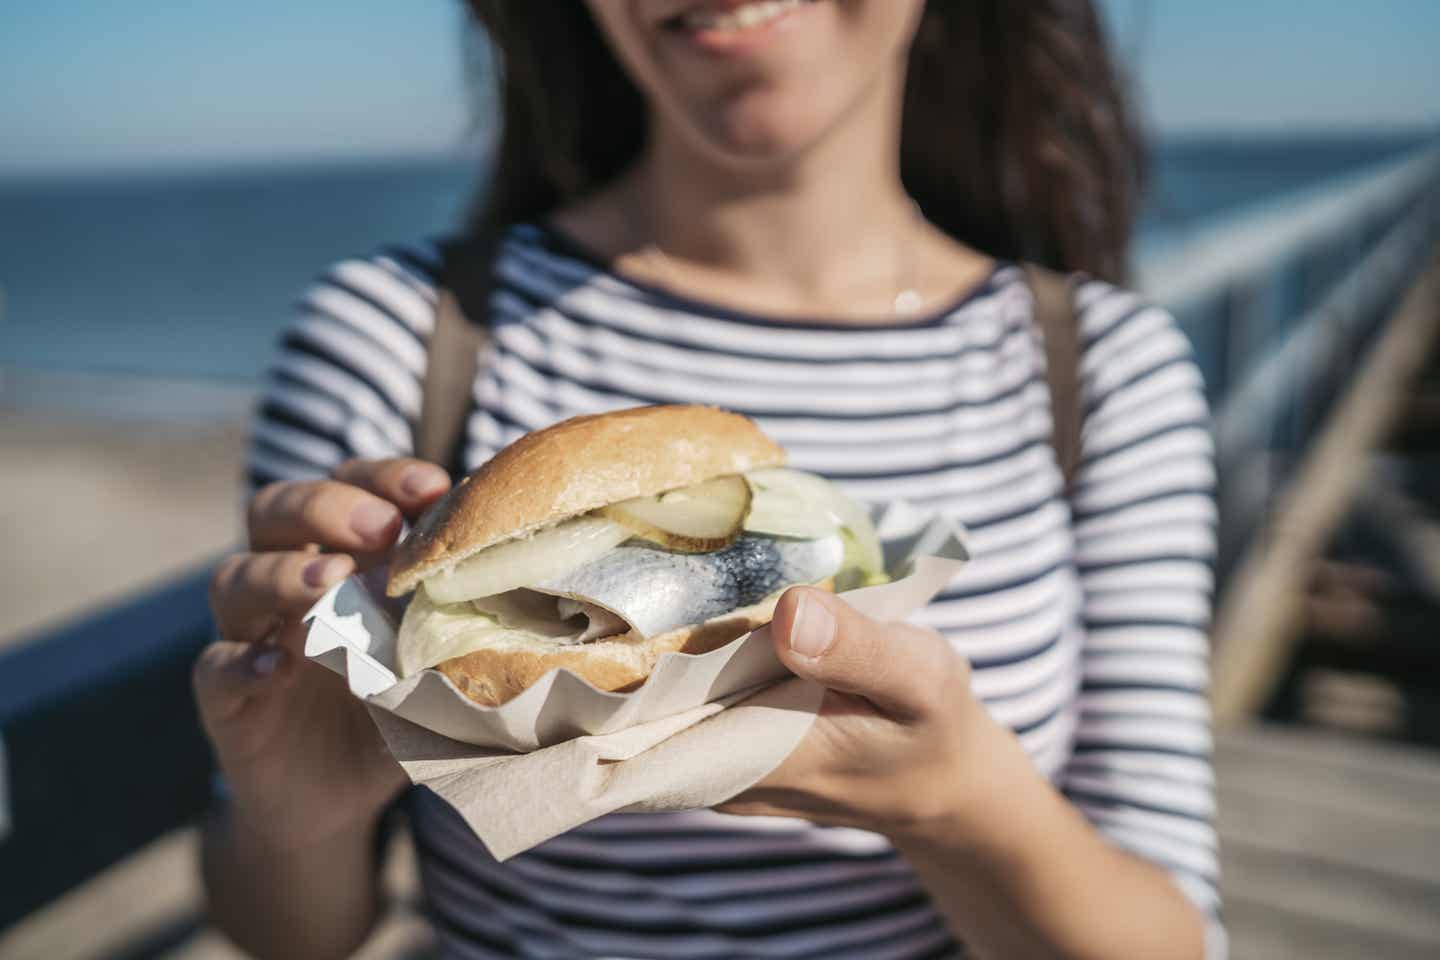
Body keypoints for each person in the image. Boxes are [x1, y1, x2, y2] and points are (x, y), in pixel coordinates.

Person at [195, 1, 1222, 957]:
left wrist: (958, 803)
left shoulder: (1098, 366)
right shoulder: (395, 332)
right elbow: (284, 937)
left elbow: (1175, 934)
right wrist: (294, 820)